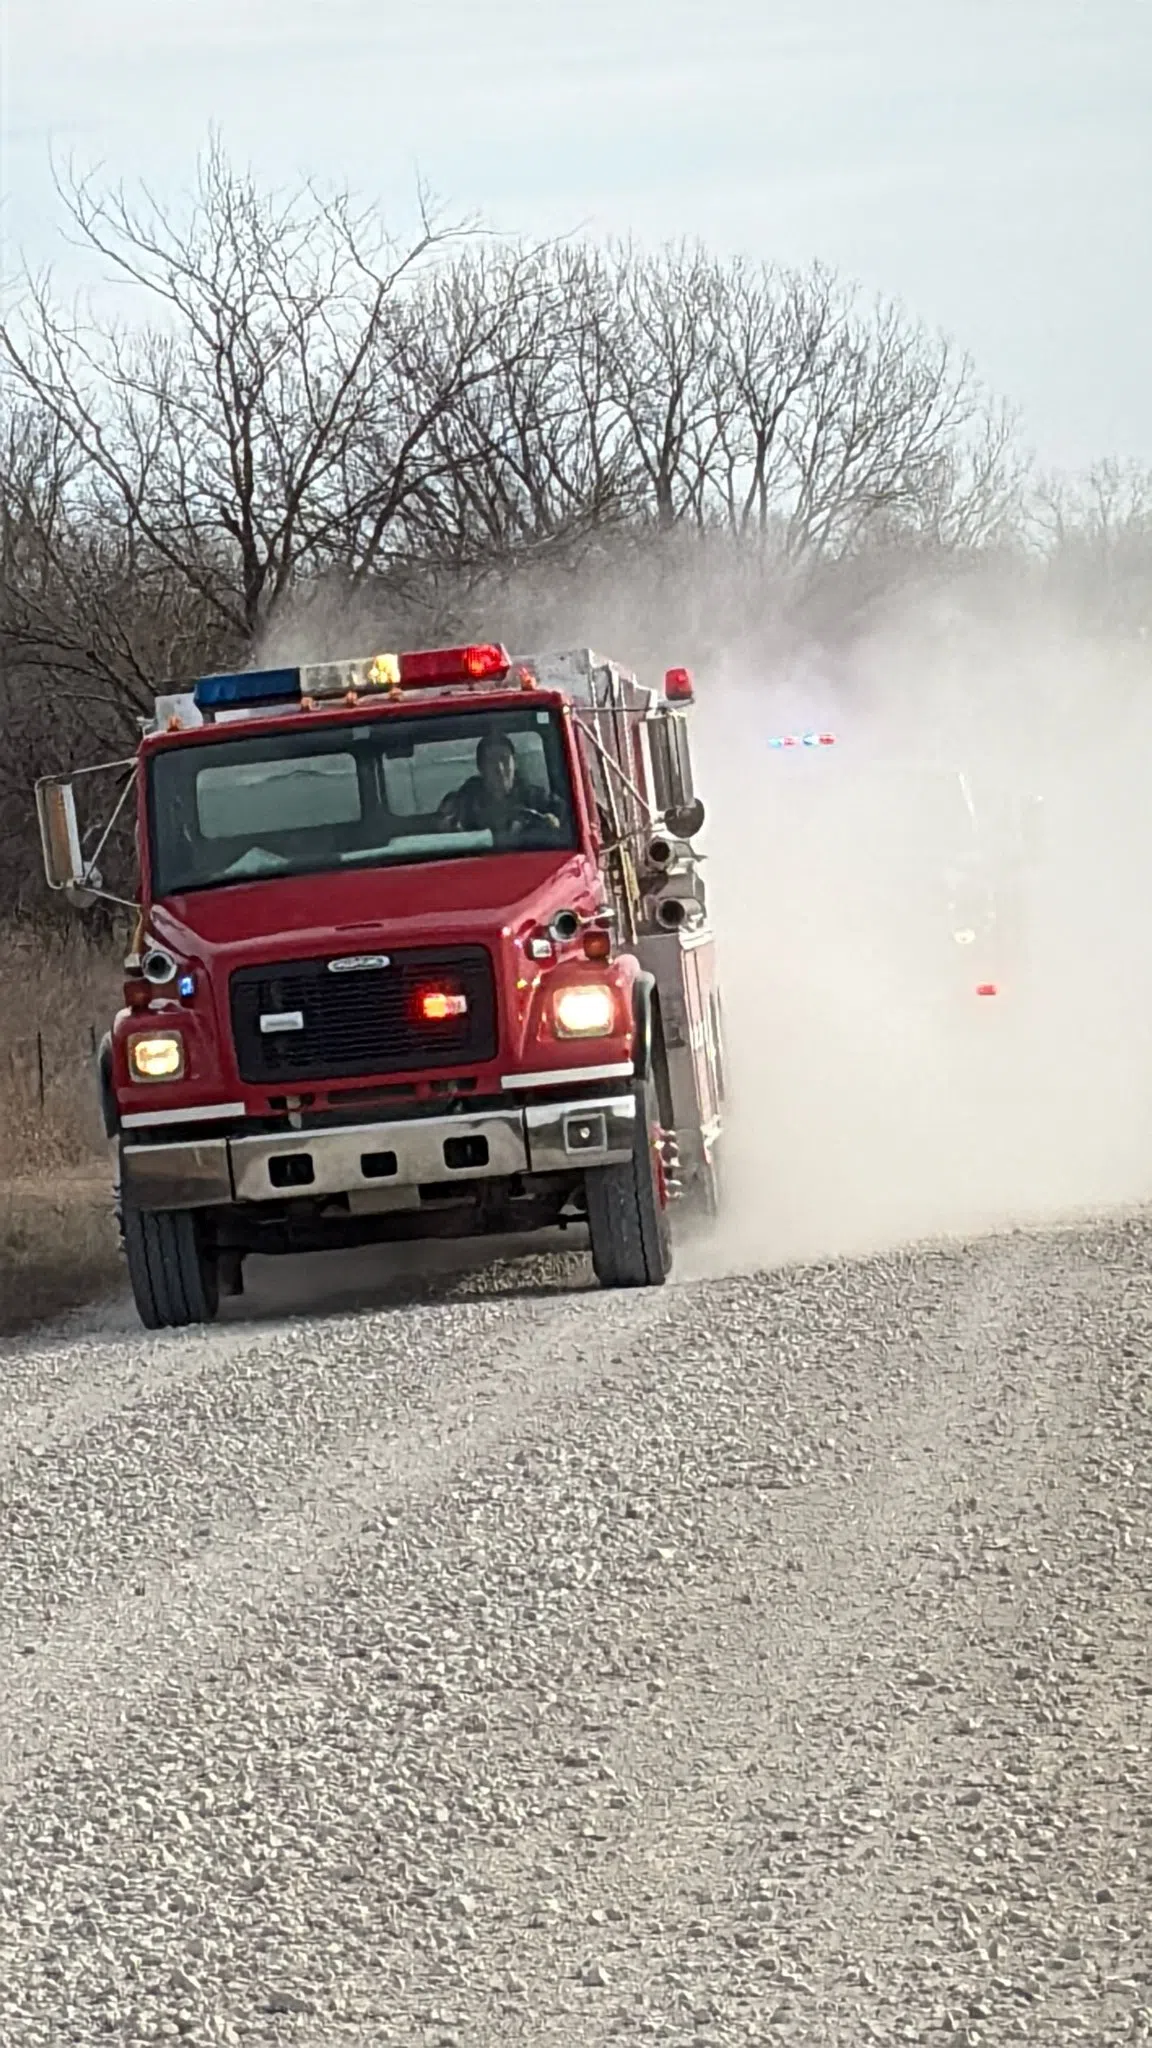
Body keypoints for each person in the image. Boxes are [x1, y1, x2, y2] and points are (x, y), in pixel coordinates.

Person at [438, 731, 564, 840]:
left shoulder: (537, 798)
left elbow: (566, 823)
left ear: (515, 763)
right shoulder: (464, 801)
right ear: (481, 768)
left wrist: (552, 822)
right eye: (491, 761)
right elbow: (443, 825)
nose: (500, 768)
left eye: (504, 759)